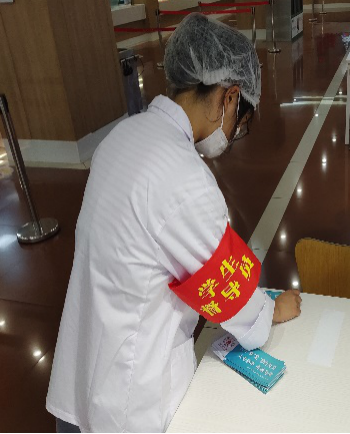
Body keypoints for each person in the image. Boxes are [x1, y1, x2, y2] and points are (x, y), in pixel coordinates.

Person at [46, 14, 302, 434]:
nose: (233, 133)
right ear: (229, 97)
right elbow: (227, 288)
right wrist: (271, 310)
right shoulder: (185, 178)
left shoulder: (121, 138)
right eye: (239, 121)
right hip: (133, 398)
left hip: (84, 369)